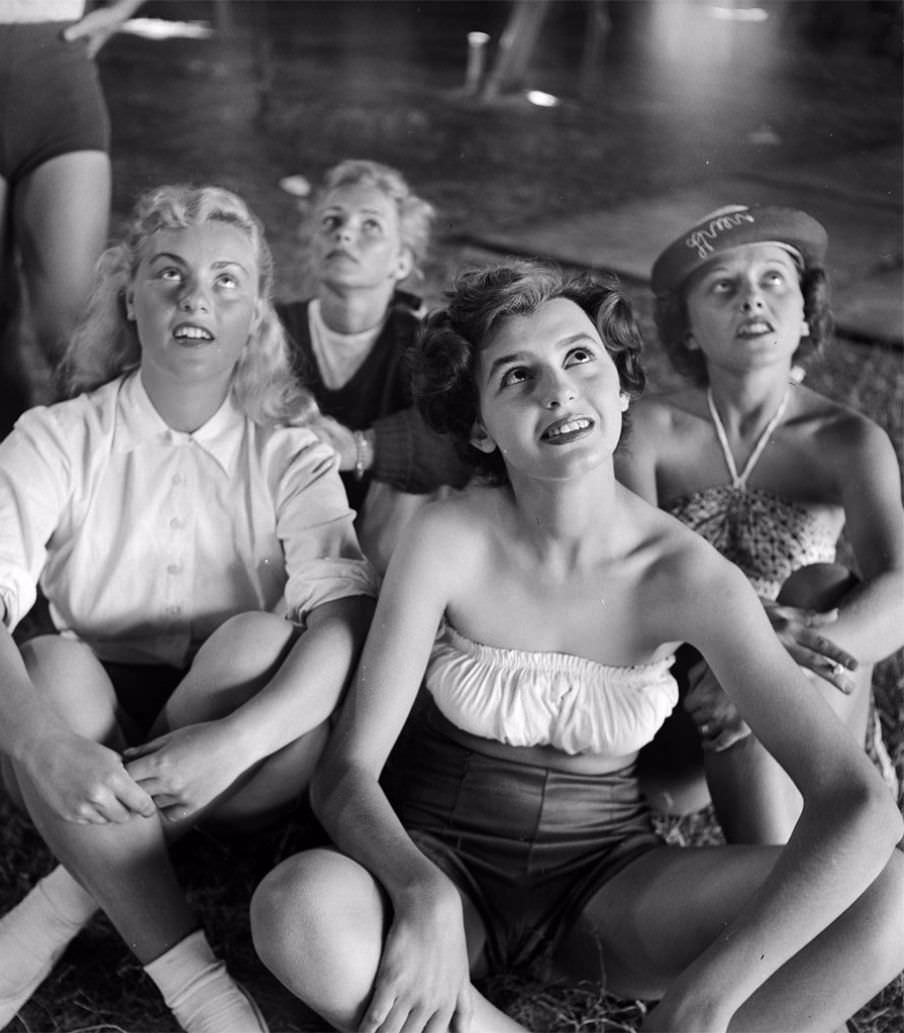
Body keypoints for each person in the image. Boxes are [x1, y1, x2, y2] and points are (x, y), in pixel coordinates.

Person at [250, 262, 904, 1033]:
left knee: (888, 900)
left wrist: (707, 999)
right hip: (439, 865)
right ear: (479, 425)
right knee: (296, 911)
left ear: (623, 387)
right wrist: (419, 891)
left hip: (610, 885)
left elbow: (859, 804)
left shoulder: (689, 574)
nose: (557, 390)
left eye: (579, 357)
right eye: (517, 375)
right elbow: (345, 774)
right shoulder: (446, 537)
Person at [0, 185, 377, 1033]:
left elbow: (345, 621)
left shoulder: (293, 451)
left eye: (227, 280)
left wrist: (230, 740)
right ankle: (205, 997)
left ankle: (62, 897)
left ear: (256, 315)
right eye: (169, 273)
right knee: (49, 663)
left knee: (260, 639)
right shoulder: (53, 437)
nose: (196, 296)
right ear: (131, 295)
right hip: (72, 746)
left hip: (238, 752)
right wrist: (41, 743)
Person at [614, 204, 904, 844]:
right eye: (723, 286)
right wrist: (735, 640)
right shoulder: (647, 432)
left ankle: (781, 872)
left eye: (774, 279)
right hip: (681, 705)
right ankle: (786, 878)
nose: (752, 300)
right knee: (730, 650)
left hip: (804, 706)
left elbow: (900, 589)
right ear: (686, 327)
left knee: (823, 583)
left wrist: (764, 665)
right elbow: (627, 574)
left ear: (806, 312)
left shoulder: (848, 440)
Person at [0, 0, 144, 441]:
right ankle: (14, 475)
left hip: (58, 85)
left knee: (73, 333)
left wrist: (122, 9)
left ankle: (92, 484)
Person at [276, 159, 470, 570]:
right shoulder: (274, 332)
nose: (344, 233)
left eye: (371, 226)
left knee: (414, 487)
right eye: (331, 221)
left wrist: (359, 448)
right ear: (313, 247)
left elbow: (456, 444)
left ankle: (376, 607)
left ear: (401, 262)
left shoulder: (423, 340)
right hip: (281, 531)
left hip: (377, 543)